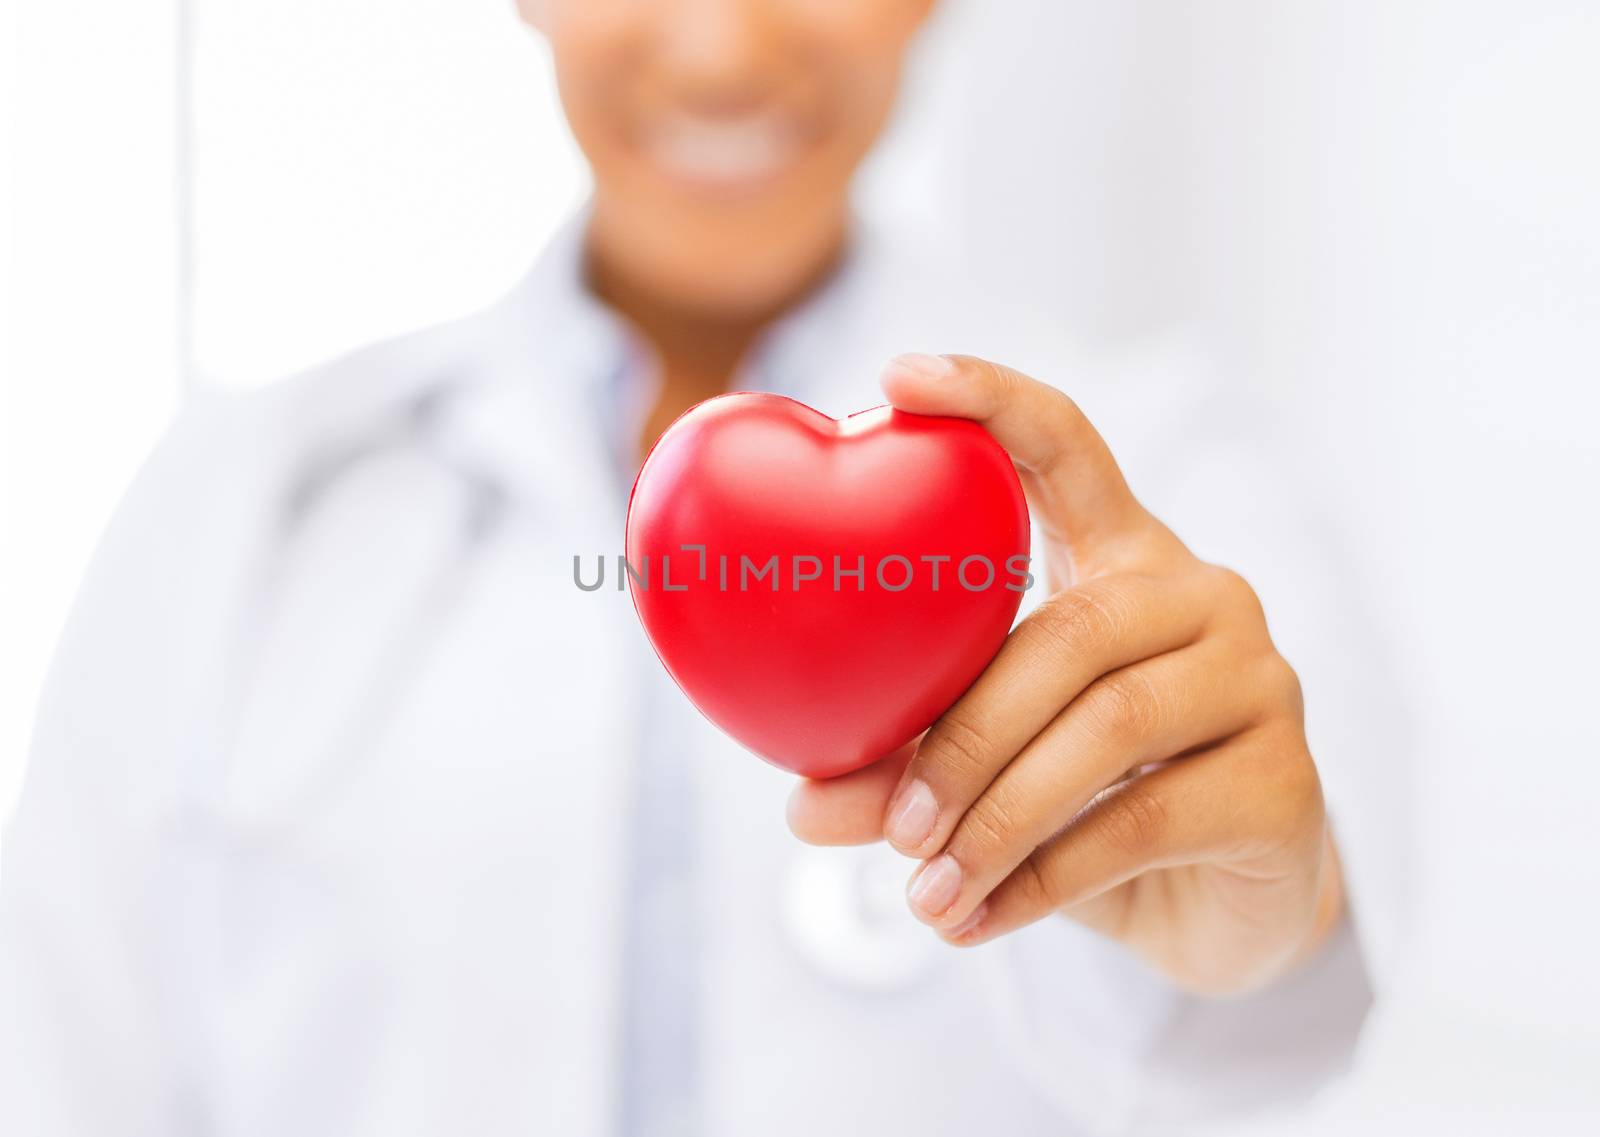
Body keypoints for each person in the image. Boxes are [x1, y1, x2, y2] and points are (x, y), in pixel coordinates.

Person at [0, 2, 1404, 1134]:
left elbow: (1316, 1033)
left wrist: (1258, 929)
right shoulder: (245, 497)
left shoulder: (1183, 472)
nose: (724, 45)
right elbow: (65, 1058)